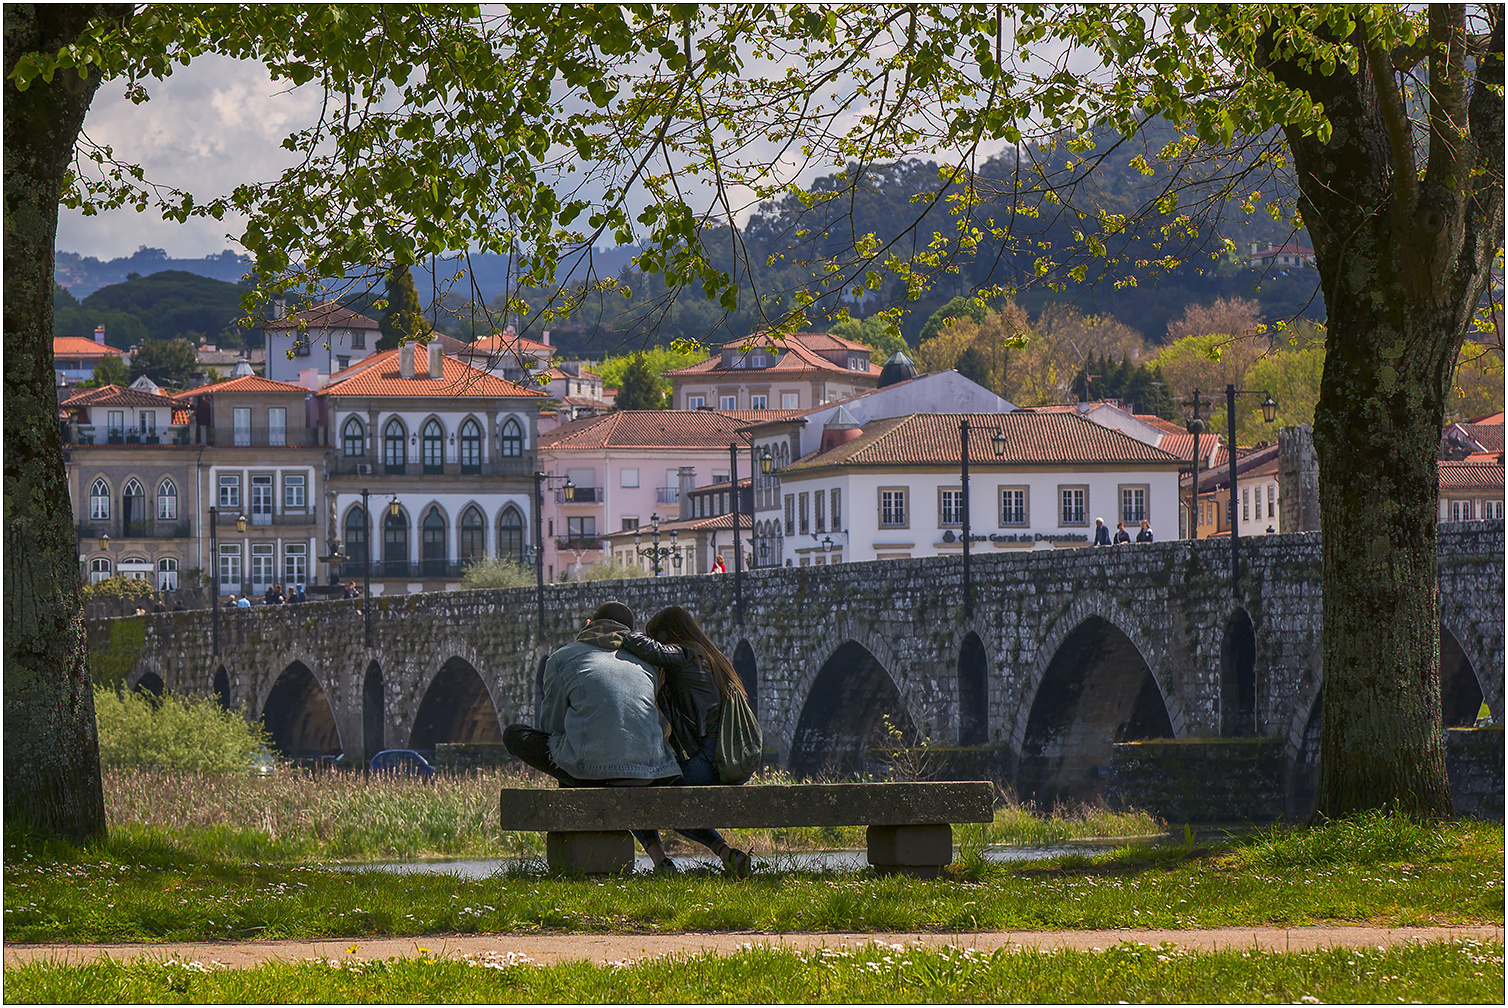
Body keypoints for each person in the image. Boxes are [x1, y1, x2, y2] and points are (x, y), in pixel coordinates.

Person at [620, 605, 754, 877]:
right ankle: (726, 854)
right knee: (662, 795)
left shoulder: (685, 655)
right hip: (726, 762)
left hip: (706, 761)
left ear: (668, 635)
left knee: (635, 790)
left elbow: (645, 647)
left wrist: (616, 629)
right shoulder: (712, 659)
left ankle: (661, 863)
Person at [503, 600, 680, 794]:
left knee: (514, 734)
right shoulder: (648, 663)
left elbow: (551, 727)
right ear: (631, 631)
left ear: (589, 624)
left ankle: (578, 816)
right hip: (649, 772)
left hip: (587, 773)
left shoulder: (563, 658)